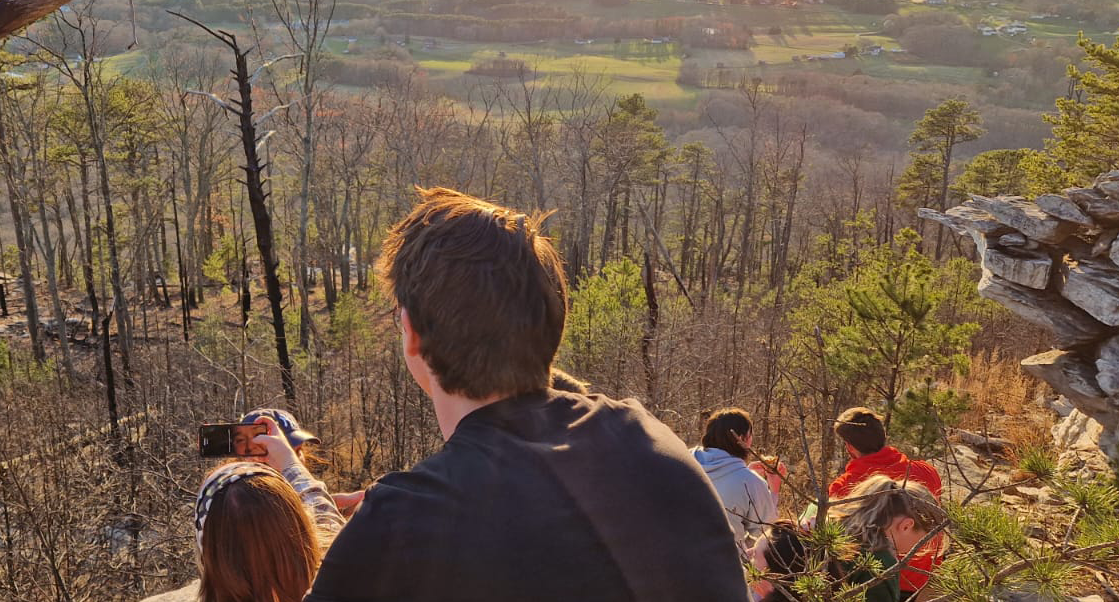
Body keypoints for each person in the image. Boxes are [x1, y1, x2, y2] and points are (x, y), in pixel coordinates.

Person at [306, 188, 749, 602]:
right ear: (555, 323)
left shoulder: (400, 523)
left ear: (411, 334)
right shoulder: (654, 443)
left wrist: (375, 522)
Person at [142, 417, 344, 602]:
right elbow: (332, 534)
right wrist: (290, 464)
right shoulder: (344, 584)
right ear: (306, 535)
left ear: (207, 553)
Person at [829, 407, 943, 596]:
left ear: (849, 447)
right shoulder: (926, 472)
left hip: (877, 583)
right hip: (926, 582)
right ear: (883, 435)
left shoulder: (844, 488)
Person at [830, 475, 944, 602]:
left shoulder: (824, 524)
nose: (917, 549)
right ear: (906, 526)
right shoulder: (880, 565)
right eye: (922, 541)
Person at [692, 408, 780, 556]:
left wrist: (744, 471)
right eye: (750, 435)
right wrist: (774, 491)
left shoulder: (684, 461)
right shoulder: (752, 483)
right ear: (742, 439)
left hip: (671, 562)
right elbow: (766, 536)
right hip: (722, 568)